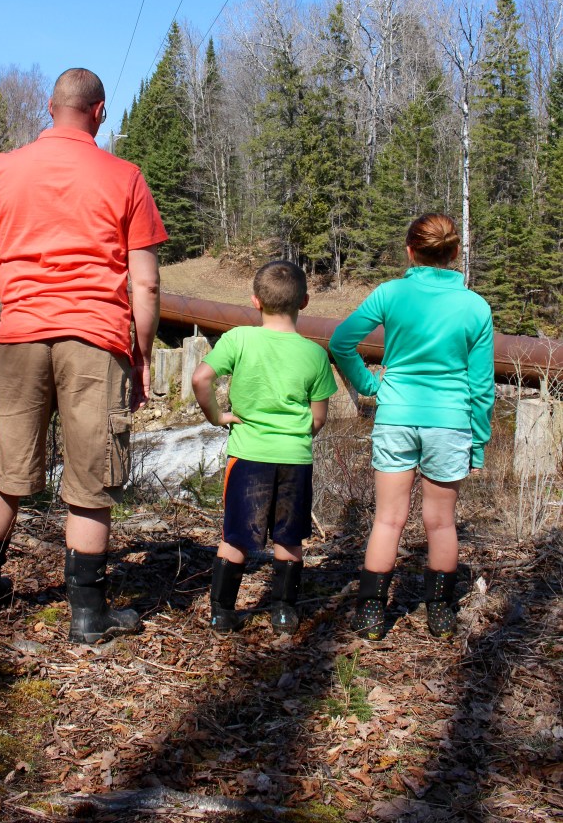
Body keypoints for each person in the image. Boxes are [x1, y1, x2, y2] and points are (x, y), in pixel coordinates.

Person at [0, 68, 168, 644]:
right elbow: (147, 287)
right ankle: (87, 616)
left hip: (19, 337)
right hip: (95, 340)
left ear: (51, 105)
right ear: (100, 111)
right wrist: (139, 357)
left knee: (7, 472)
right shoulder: (125, 176)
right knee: (91, 479)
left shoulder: (0, 169)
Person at [329, 213, 494, 640]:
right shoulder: (475, 307)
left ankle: (370, 615)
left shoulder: (391, 293)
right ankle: (439, 613)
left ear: (409, 250)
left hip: (396, 416)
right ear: (455, 253)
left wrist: (369, 384)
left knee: (388, 520)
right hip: (451, 423)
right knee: (441, 522)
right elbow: (480, 386)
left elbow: (341, 342)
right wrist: (478, 444)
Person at [192, 261, 337, 635]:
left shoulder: (239, 339)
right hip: (295, 458)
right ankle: (285, 613)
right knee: (289, 538)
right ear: (303, 301)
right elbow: (317, 418)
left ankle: (222, 613)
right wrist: (295, 437)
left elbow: (201, 378)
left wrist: (217, 417)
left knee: (235, 536)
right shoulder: (316, 355)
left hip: (248, 454)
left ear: (255, 301)